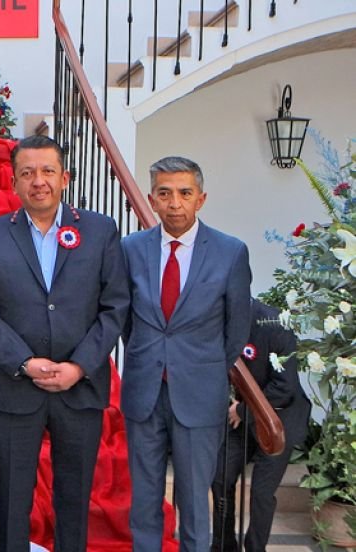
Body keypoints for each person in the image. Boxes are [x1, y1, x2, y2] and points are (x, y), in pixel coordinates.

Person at [0, 135, 130, 552]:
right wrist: (23, 362)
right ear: (14, 182)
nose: (38, 181)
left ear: (65, 178)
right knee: (12, 500)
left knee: (74, 500)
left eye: (47, 171)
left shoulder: (100, 230)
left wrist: (79, 366)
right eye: (27, 173)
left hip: (80, 387)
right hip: (14, 387)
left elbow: (115, 306)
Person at [120, 156, 252, 552]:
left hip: (200, 393)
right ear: (151, 200)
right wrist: (151, 358)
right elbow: (125, 321)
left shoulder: (230, 252)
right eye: (164, 194)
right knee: (144, 501)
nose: (174, 203)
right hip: (144, 391)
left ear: (201, 198)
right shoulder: (130, 249)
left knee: (195, 502)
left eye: (184, 193)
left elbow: (236, 329)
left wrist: (201, 369)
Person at [211, 298, 311, 552]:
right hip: (240, 417)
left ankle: (256, 547)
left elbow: (285, 388)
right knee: (221, 476)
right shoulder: (217, 321)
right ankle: (223, 545)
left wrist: (242, 410)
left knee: (261, 492)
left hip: (277, 420)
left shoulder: (274, 324)